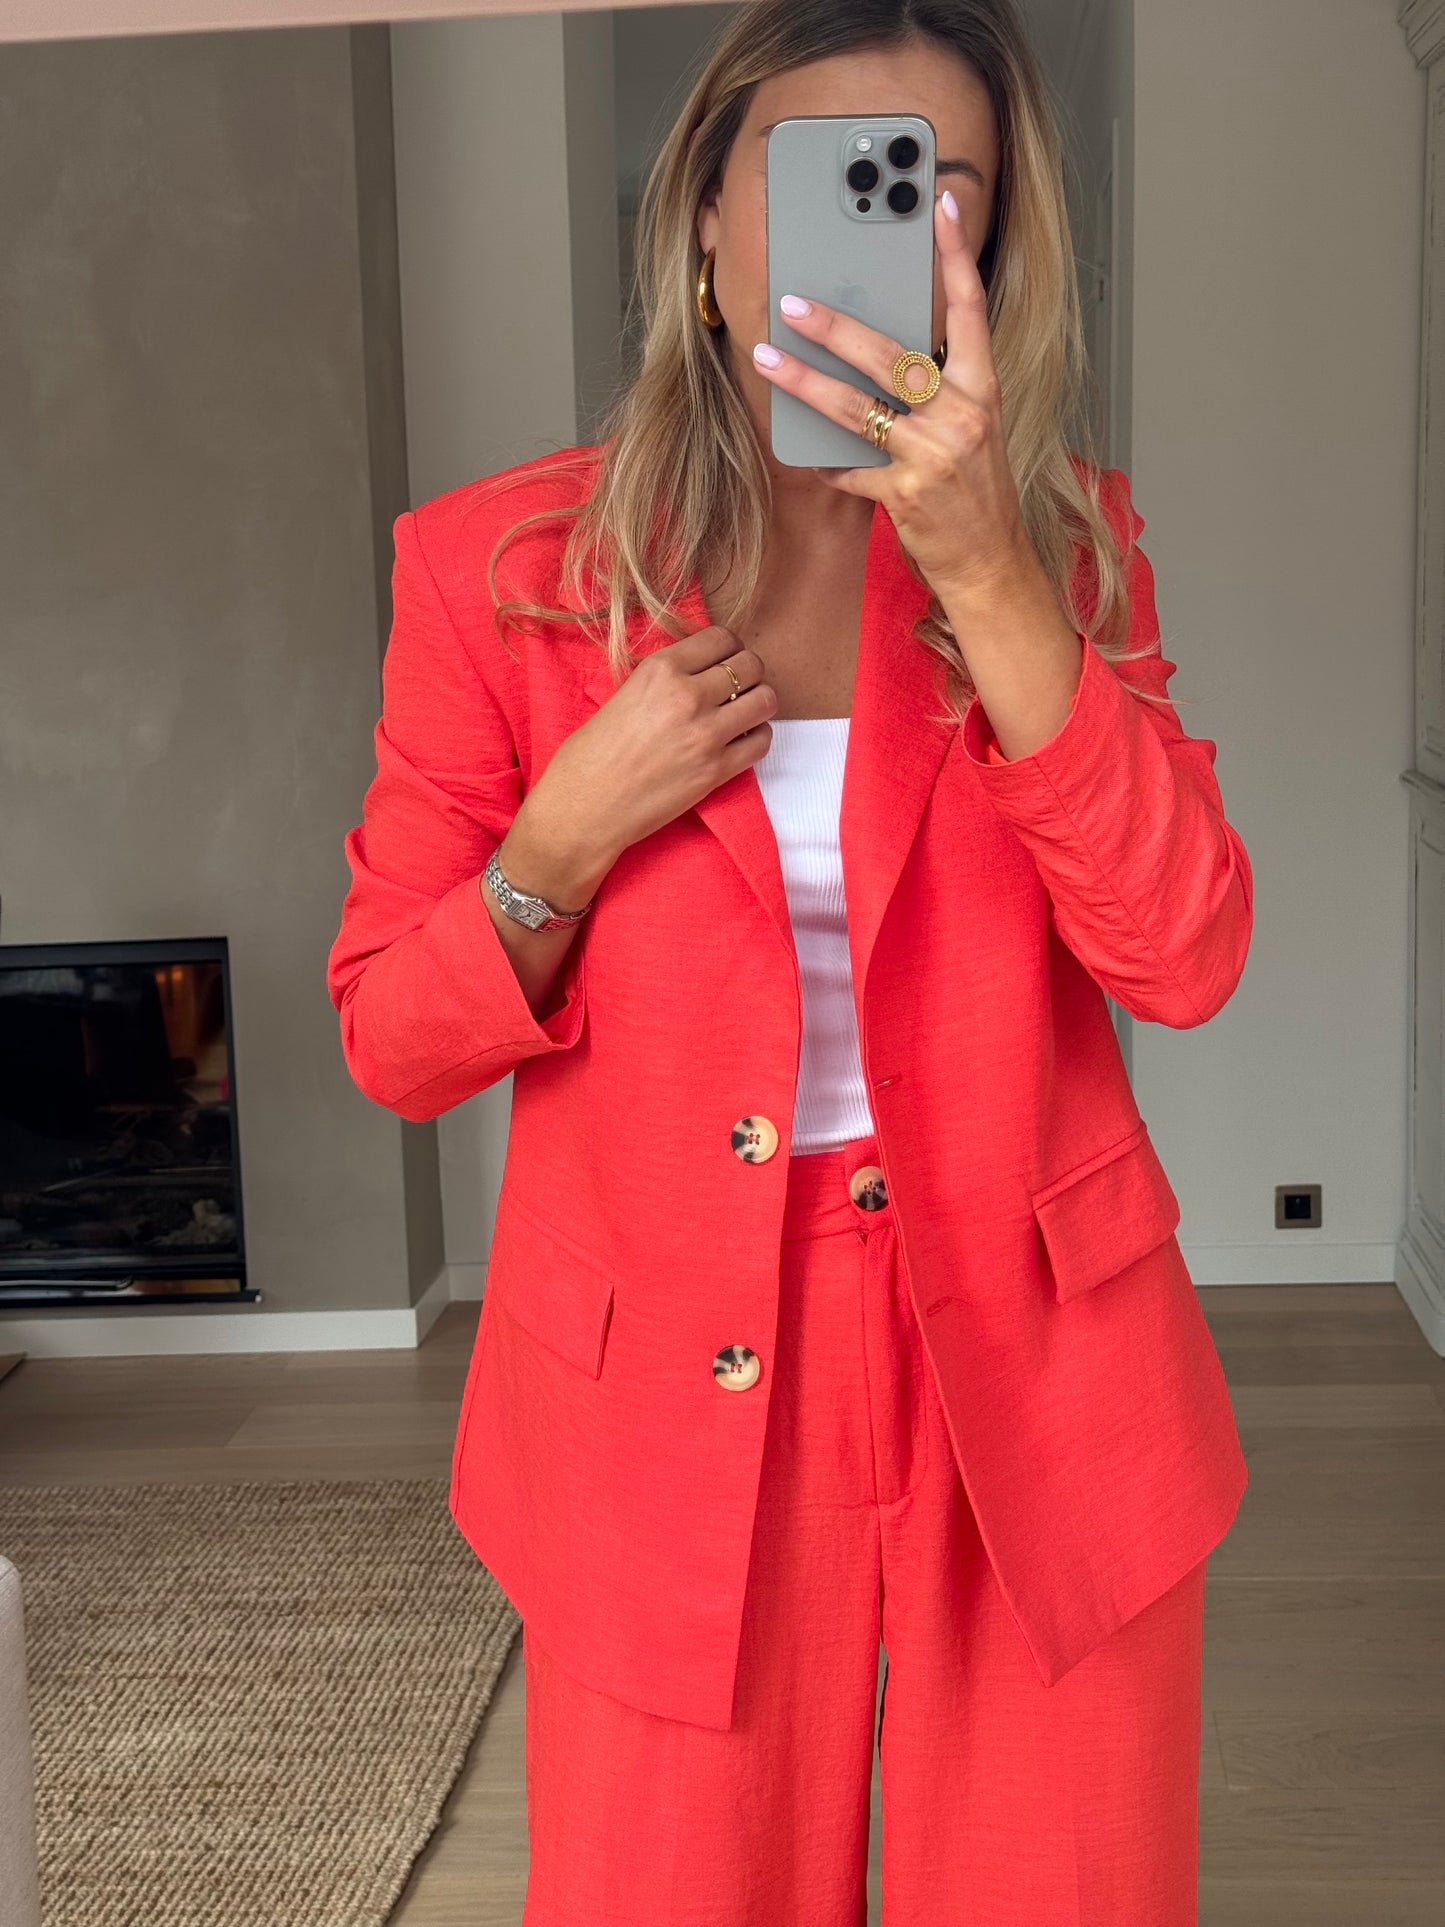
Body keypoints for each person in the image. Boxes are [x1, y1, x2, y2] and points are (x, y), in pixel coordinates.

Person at [326, 1, 1255, 1919]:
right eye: (827, 171)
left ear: (991, 252)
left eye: (938, 187)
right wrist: (560, 840)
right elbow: (393, 1044)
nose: (883, 228)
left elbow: (1180, 956)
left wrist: (985, 569)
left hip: (1036, 1349)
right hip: (657, 1371)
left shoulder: (1067, 556)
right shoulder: (501, 574)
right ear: (703, 211)